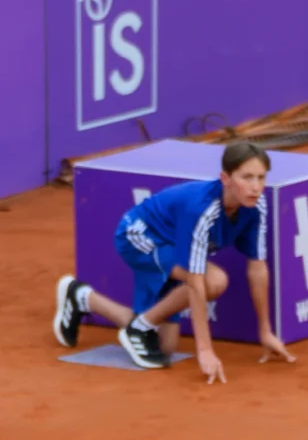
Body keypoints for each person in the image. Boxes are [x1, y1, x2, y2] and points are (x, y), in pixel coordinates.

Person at [53, 142, 294, 383]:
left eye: (261, 178)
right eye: (247, 177)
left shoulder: (256, 206)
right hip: (139, 236)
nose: (255, 187)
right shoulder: (203, 209)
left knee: (164, 347)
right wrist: (205, 350)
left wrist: (265, 331)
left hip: (172, 246)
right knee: (215, 280)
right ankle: (139, 326)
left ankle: (82, 297)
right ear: (225, 178)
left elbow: (258, 268)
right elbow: (196, 281)